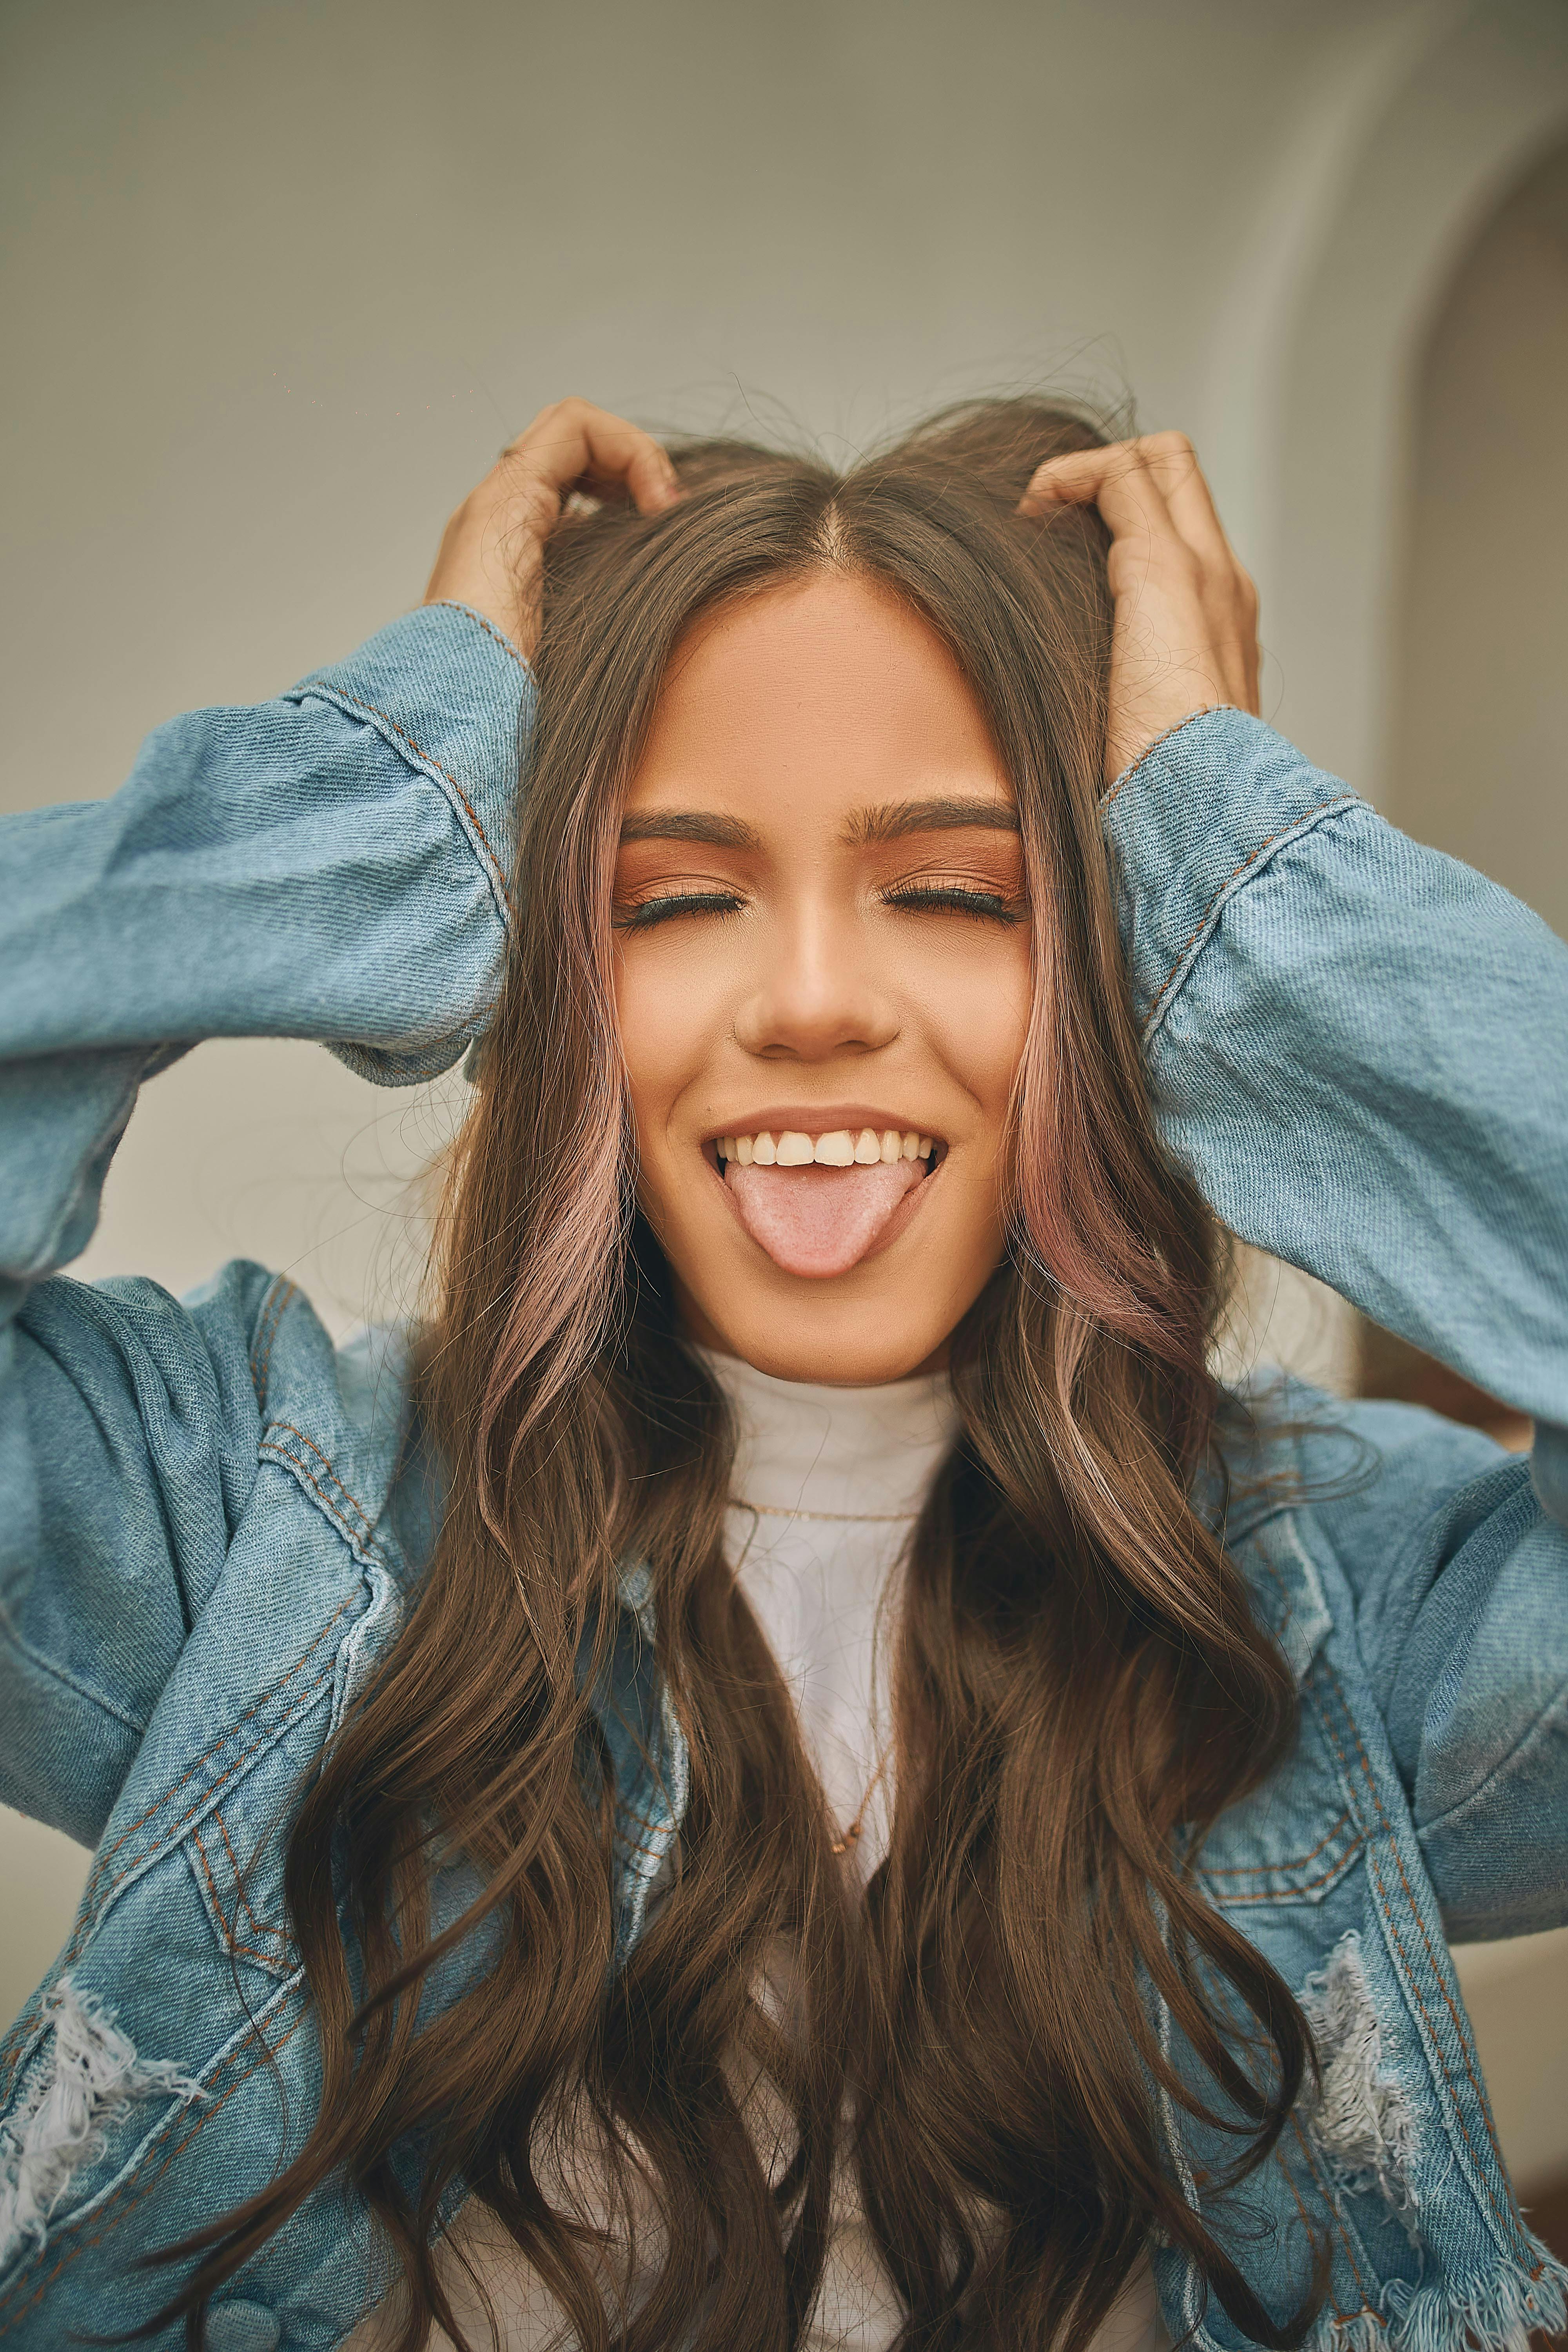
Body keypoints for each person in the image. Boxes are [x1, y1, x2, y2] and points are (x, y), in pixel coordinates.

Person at [0, 394, 1564, 2352]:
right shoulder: (237, 1511)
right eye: (670, 899)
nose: (813, 1000)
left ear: (1119, 969)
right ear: (540, 961)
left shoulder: (1348, 1615)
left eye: (959, 892)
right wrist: (366, 812)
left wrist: (1251, 897)